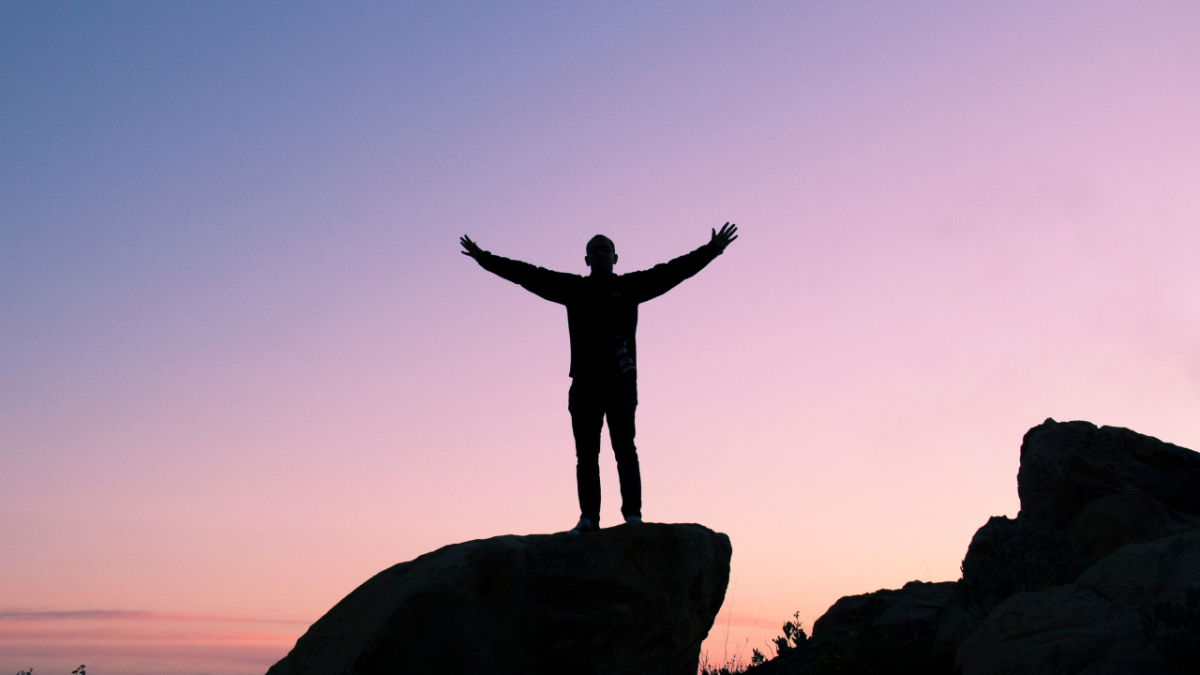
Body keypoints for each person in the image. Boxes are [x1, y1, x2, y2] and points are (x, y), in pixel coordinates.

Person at [460, 223, 738, 534]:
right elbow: (528, 275)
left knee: (624, 449)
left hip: (620, 382)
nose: (601, 254)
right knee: (586, 455)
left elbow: (672, 272)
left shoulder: (631, 287)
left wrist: (712, 250)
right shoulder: (574, 289)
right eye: (595, 251)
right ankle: (589, 519)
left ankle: (632, 516)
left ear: (616, 257)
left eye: (605, 249)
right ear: (587, 260)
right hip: (585, 384)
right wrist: (484, 258)